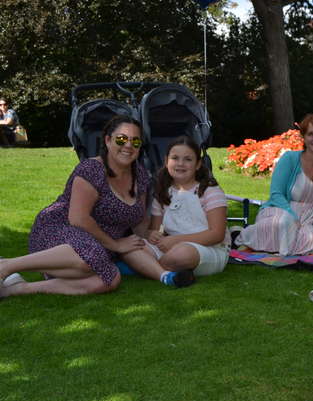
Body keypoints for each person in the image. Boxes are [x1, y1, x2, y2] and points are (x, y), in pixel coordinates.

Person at [0, 115, 151, 297]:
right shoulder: (91, 170)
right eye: (121, 139)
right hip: (60, 229)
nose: (128, 145)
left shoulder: (140, 175)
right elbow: (78, 218)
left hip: (97, 246)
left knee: (110, 279)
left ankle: (17, 289)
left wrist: (153, 239)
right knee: (92, 257)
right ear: (108, 140)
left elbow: (140, 218)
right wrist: (115, 245)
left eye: (135, 141)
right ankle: (7, 266)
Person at [234, 114, 313, 256]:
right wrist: (292, 217)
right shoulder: (290, 159)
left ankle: (259, 243)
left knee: (308, 239)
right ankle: (245, 236)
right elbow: (276, 194)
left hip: (311, 220)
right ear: (303, 138)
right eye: (310, 134)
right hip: (282, 210)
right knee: (283, 224)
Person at [120, 136, 229, 283]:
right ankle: (167, 275)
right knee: (131, 246)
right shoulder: (164, 192)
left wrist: (176, 241)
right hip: (170, 247)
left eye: (188, 159)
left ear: (198, 164)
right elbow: (155, 230)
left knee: (183, 253)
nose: (180, 164)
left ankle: (144, 267)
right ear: (166, 161)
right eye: (175, 158)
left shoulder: (210, 191)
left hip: (207, 249)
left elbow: (217, 235)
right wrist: (153, 235)